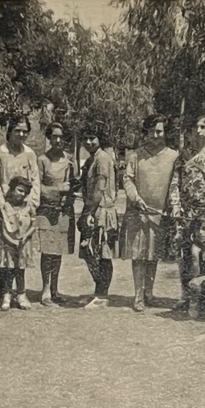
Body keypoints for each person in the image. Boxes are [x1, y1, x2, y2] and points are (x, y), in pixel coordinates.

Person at [120, 114, 181, 312]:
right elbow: (127, 179)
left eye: (159, 131)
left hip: (159, 213)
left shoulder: (173, 156)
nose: (155, 135)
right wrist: (136, 199)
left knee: (153, 254)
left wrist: (173, 205)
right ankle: (138, 295)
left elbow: (175, 183)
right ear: (145, 132)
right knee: (139, 256)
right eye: (151, 131)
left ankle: (149, 293)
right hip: (138, 212)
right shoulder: (136, 155)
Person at [173, 116, 205, 312]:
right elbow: (175, 182)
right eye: (195, 127)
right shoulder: (183, 155)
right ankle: (187, 297)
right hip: (185, 214)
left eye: (203, 127)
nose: (199, 131)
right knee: (185, 257)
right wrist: (175, 206)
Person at [0, 115, 40, 269]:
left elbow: (35, 180)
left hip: (23, 209)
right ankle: (5, 291)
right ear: (10, 131)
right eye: (17, 130)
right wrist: (2, 203)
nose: (21, 134)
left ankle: (20, 291)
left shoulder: (30, 154)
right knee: (3, 252)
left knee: (21, 248)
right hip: (4, 208)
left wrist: (32, 204)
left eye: (25, 131)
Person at [35, 122, 77, 305]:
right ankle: (45, 290)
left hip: (63, 210)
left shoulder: (70, 160)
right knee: (47, 251)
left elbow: (75, 184)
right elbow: (37, 187)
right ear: (49, 138)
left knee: (58, 251)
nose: (58, 140)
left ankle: (55, 288)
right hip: (46, 210)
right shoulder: (42, 160)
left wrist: (70, 190)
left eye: (61, 136)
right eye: (54, 136)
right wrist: (58, 189)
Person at [78, 126, 120, 309]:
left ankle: (103, 295)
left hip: (101, 210)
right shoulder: (92, 159)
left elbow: (100, 188)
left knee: (102, 253)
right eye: (85, 138)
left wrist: (88, 212)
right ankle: (98, 292)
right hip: (95, 209)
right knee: (91, 252)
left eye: (92, 137)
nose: (88, 142)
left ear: (99, 139)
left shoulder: (102, 158)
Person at [0, 175, 37, 311]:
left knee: (20, 269)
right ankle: (7, 294)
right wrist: (12, 241)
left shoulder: (28, 207)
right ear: (12, 189)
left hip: (23, 244)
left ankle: (21, 294)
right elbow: (2, 229)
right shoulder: (5, 207)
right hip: (8, 244)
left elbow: (34, 224)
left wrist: (25, 237)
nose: (22, 194)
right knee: (8, 269)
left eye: (25, 192)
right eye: (19, 190)